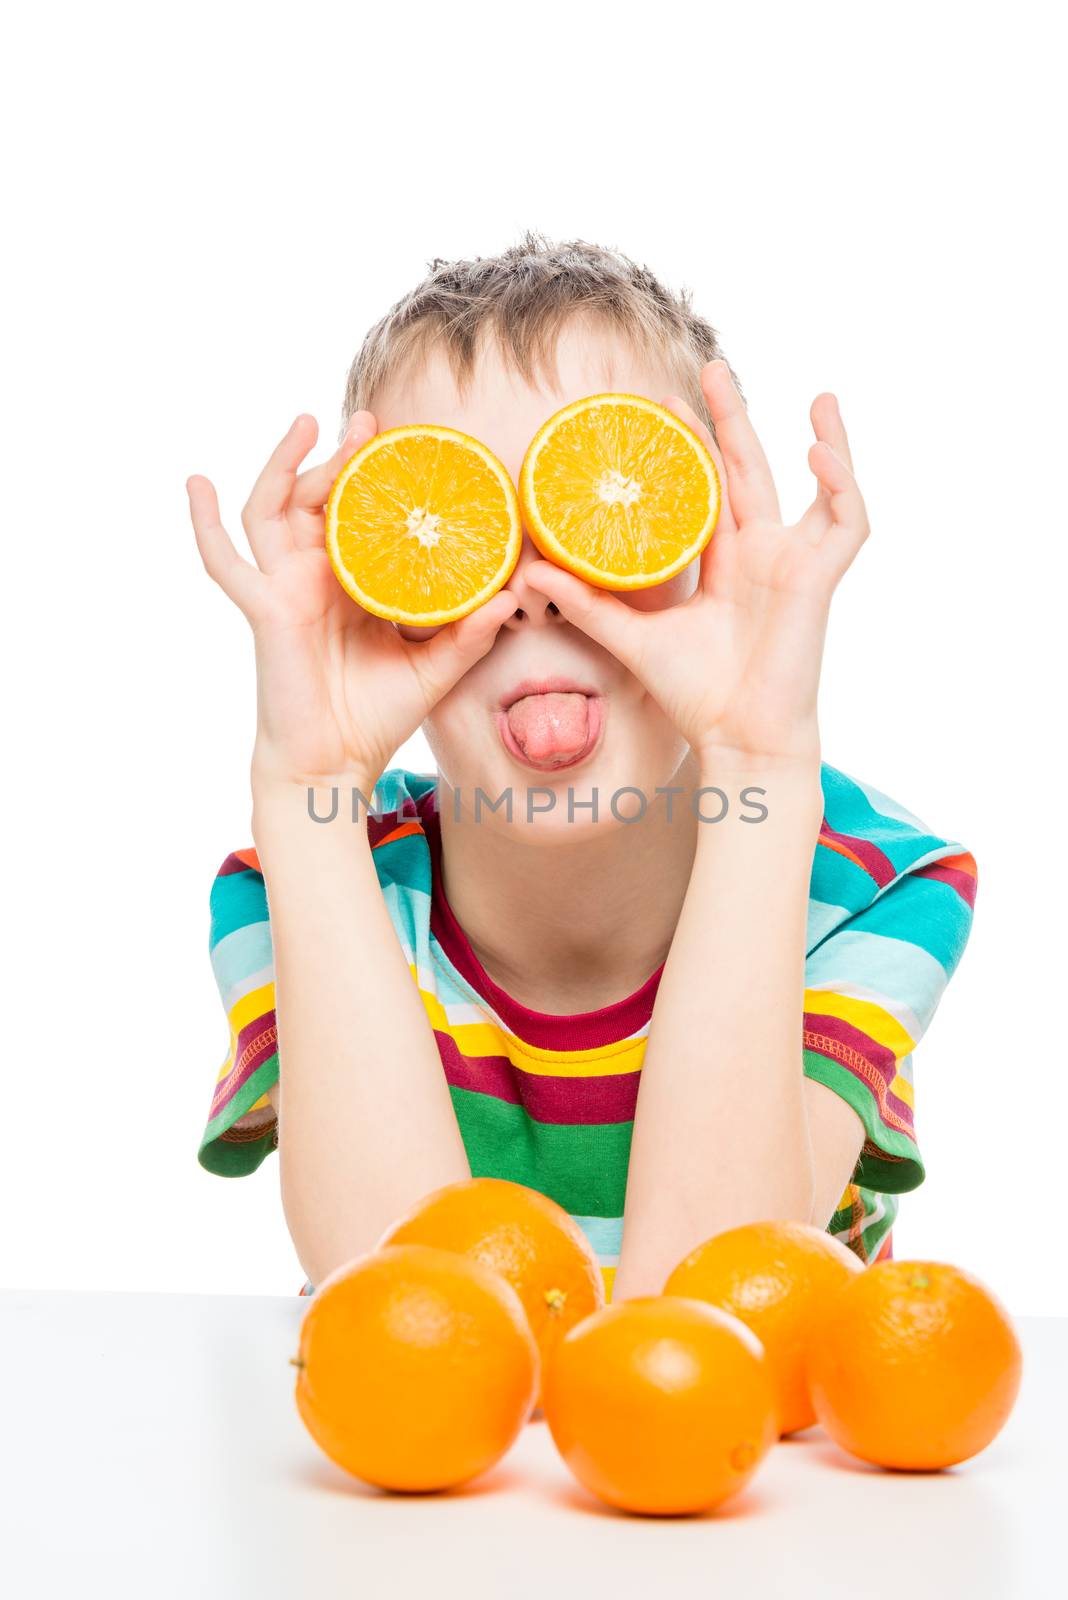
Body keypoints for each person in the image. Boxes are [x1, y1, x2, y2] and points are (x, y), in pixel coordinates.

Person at [186, 232, 976, 1304]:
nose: (539, 592)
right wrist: (302, 791)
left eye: (607, 517)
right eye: (456, 527)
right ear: (366, 583)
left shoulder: (867, 887)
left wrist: (761, 761)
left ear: (709, 538)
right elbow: (421, 1326)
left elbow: (701, 1320)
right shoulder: (300, 884)